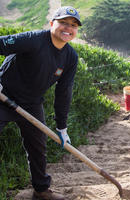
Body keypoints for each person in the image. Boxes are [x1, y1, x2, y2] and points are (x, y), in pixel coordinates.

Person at [0, 6, 82, 200]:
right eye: (63, 23)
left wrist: (62, 128)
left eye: (73, 25)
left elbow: (64, 92)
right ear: (52, 23)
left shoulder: (70, 57)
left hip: (31, 103)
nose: (68, 28)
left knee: (38, 147)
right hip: (4, 94)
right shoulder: (34, 39)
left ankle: (41, 190)